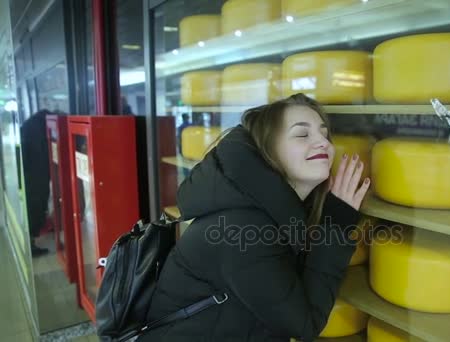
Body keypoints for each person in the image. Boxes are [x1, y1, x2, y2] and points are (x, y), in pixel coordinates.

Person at [140, 93, 371, 341]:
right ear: (266, 150)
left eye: (324, 135)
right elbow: (304, 325)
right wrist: (335, 226)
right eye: (303, 134)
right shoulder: (239, 230)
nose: (323, 143)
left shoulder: (265, 210)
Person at [20, 109, 52, 257]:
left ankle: (31, 242)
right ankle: (31, 245)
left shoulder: (27, 126)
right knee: (37, 208)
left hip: (31, 177)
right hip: (37, 177)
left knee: (34, 208)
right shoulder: (39, 127)